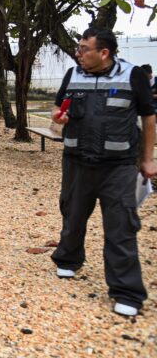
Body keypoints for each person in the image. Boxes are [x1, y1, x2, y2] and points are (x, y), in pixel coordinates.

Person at [51, 27, 155, 317]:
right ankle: (68, 259)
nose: (78, 54)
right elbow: (57, 110)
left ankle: (127, 292)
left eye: (84, 49)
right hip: (76, 161)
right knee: (72, 215)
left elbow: (149, 118)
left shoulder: (132, 75)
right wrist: (58, 118)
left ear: (104, 52)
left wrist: (148, 159)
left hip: (118, 167)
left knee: (121, 226)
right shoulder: (72, 75)